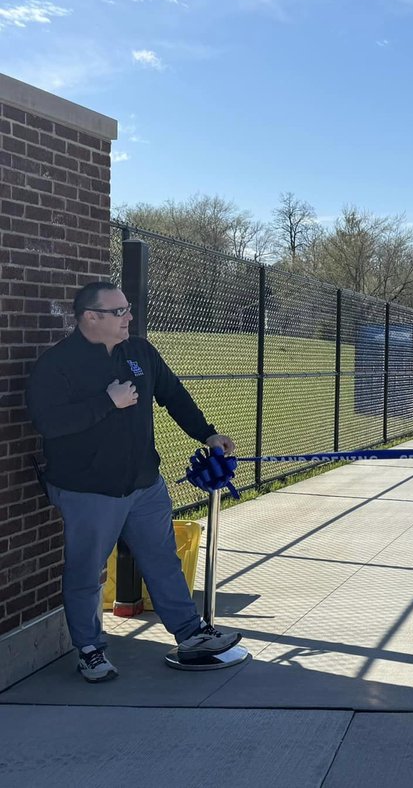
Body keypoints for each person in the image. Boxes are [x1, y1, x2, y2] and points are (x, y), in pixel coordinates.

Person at [26, 282, 243, 683]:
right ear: (90, 317)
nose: (129, 317)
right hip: (87, 490)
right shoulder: (57, 365)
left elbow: (173, 394)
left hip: (144, 484)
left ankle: (190, 634)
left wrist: (207, 434)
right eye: (119, 312)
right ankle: (90, 650)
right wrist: (107, 402)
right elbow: (50, 424)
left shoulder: (140, 352)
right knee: (87, 573)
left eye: (128, 309)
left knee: (162, 560)